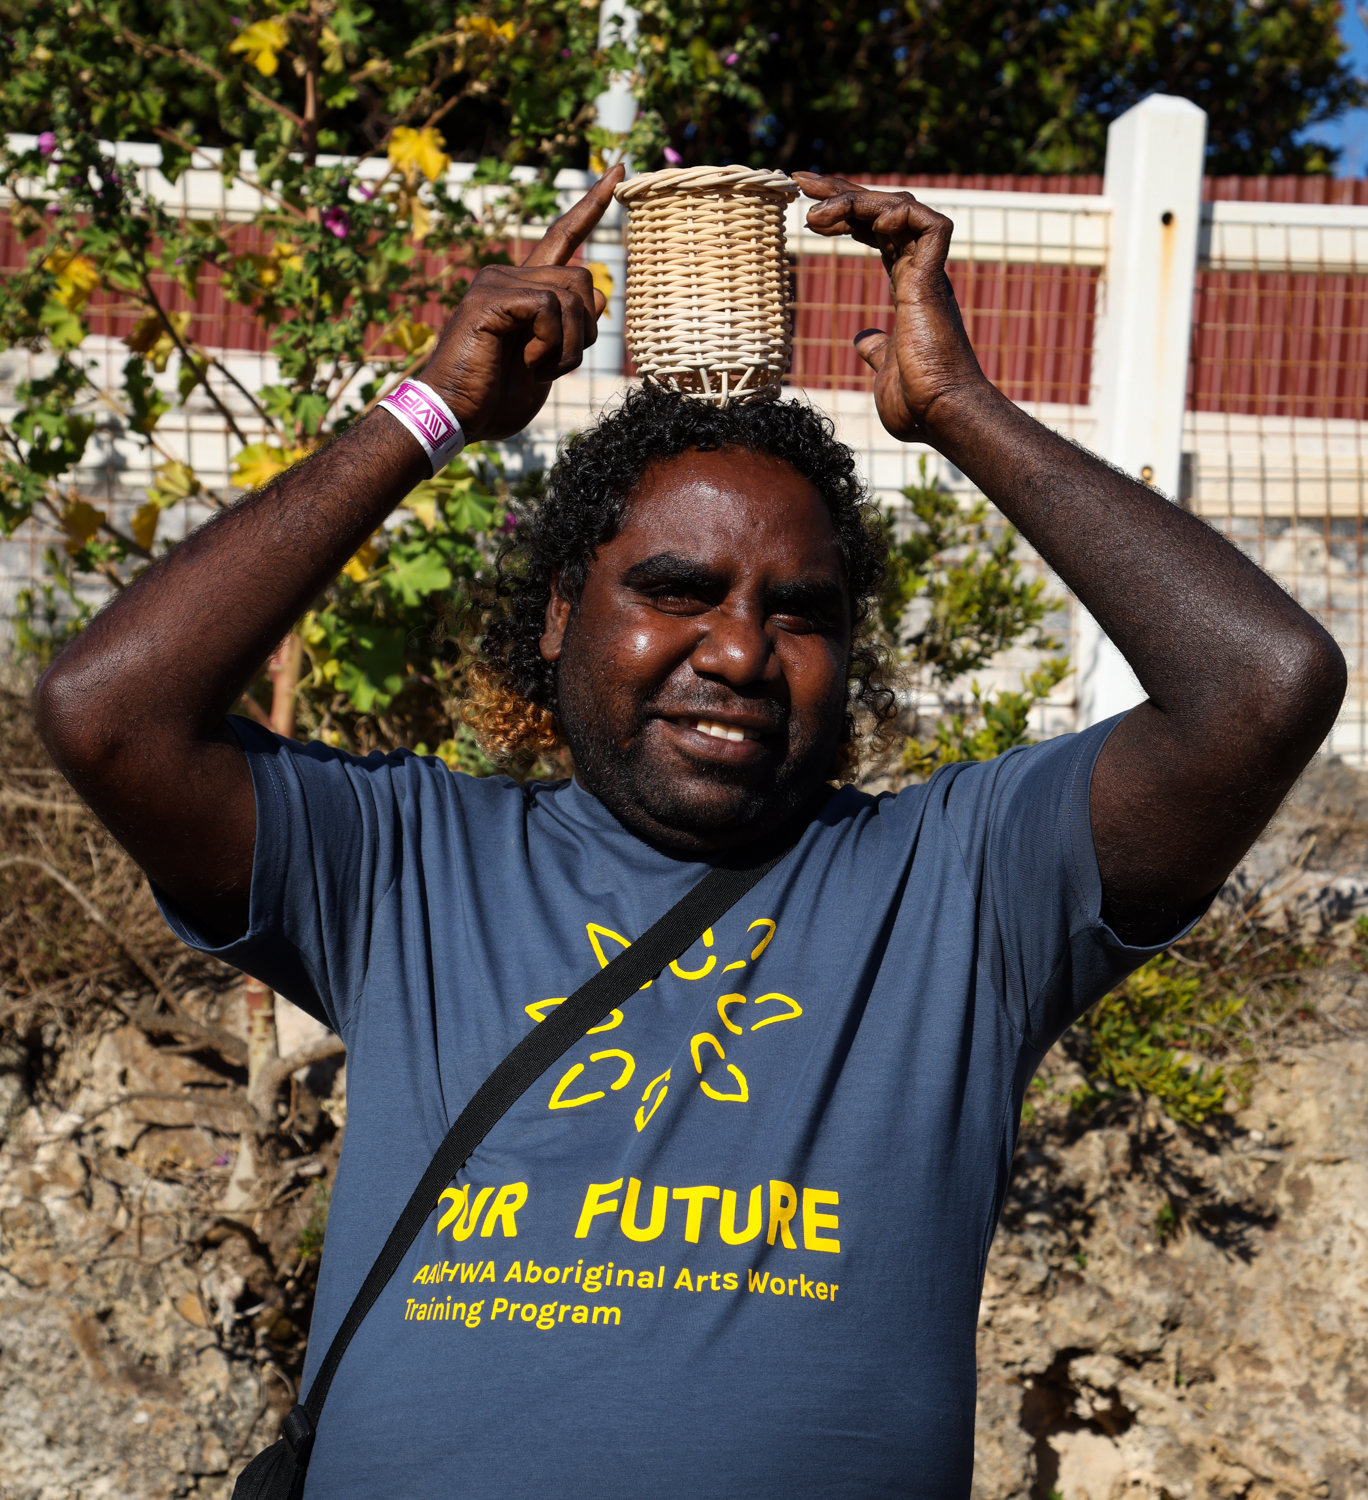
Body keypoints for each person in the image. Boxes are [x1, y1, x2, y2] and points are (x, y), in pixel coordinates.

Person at [34, 165, 1343, 1498]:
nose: (738, 650)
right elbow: (110, 713)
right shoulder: (406, 867)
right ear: (559, 617)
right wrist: (434, 412)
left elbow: (1260, 689)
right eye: (676, 589)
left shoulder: (962, 890)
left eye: (803, 612)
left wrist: (961, 410)